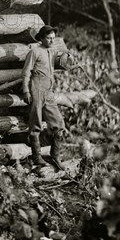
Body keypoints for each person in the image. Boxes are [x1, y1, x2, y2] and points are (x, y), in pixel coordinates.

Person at [22, 25, 74, 170]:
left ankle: (55, 156)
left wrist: (69, 55)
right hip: (36, 89)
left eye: (53, 38)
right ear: (41, 38)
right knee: (36, 123)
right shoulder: (34, 52)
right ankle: (37, 157)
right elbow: (26, 72)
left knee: (59, 125)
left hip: (49, 92)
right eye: (48, 38)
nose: (51, 40)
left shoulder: (52, 51)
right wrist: (26, 90)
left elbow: (64, 54)